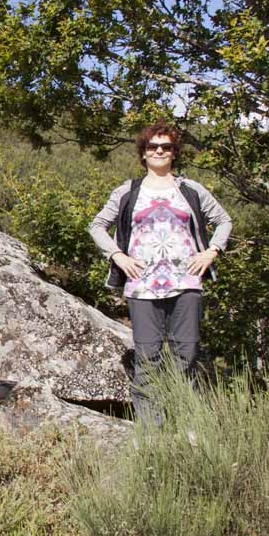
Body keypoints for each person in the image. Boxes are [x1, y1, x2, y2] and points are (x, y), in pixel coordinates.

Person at [88, 121, 232, 424]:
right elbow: (97, 225)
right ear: (143, 153)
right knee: (148, 359)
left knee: (186, 357)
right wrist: (117, 256)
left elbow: (224, 221)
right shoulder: (128, 191)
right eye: (153, 146)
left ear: (174, 153)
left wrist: (212, 251)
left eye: (165, 146)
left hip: (187, 283)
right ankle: (151, 433)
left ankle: (187, 427)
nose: (159, 151)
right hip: (142, 287)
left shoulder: (191, 190)